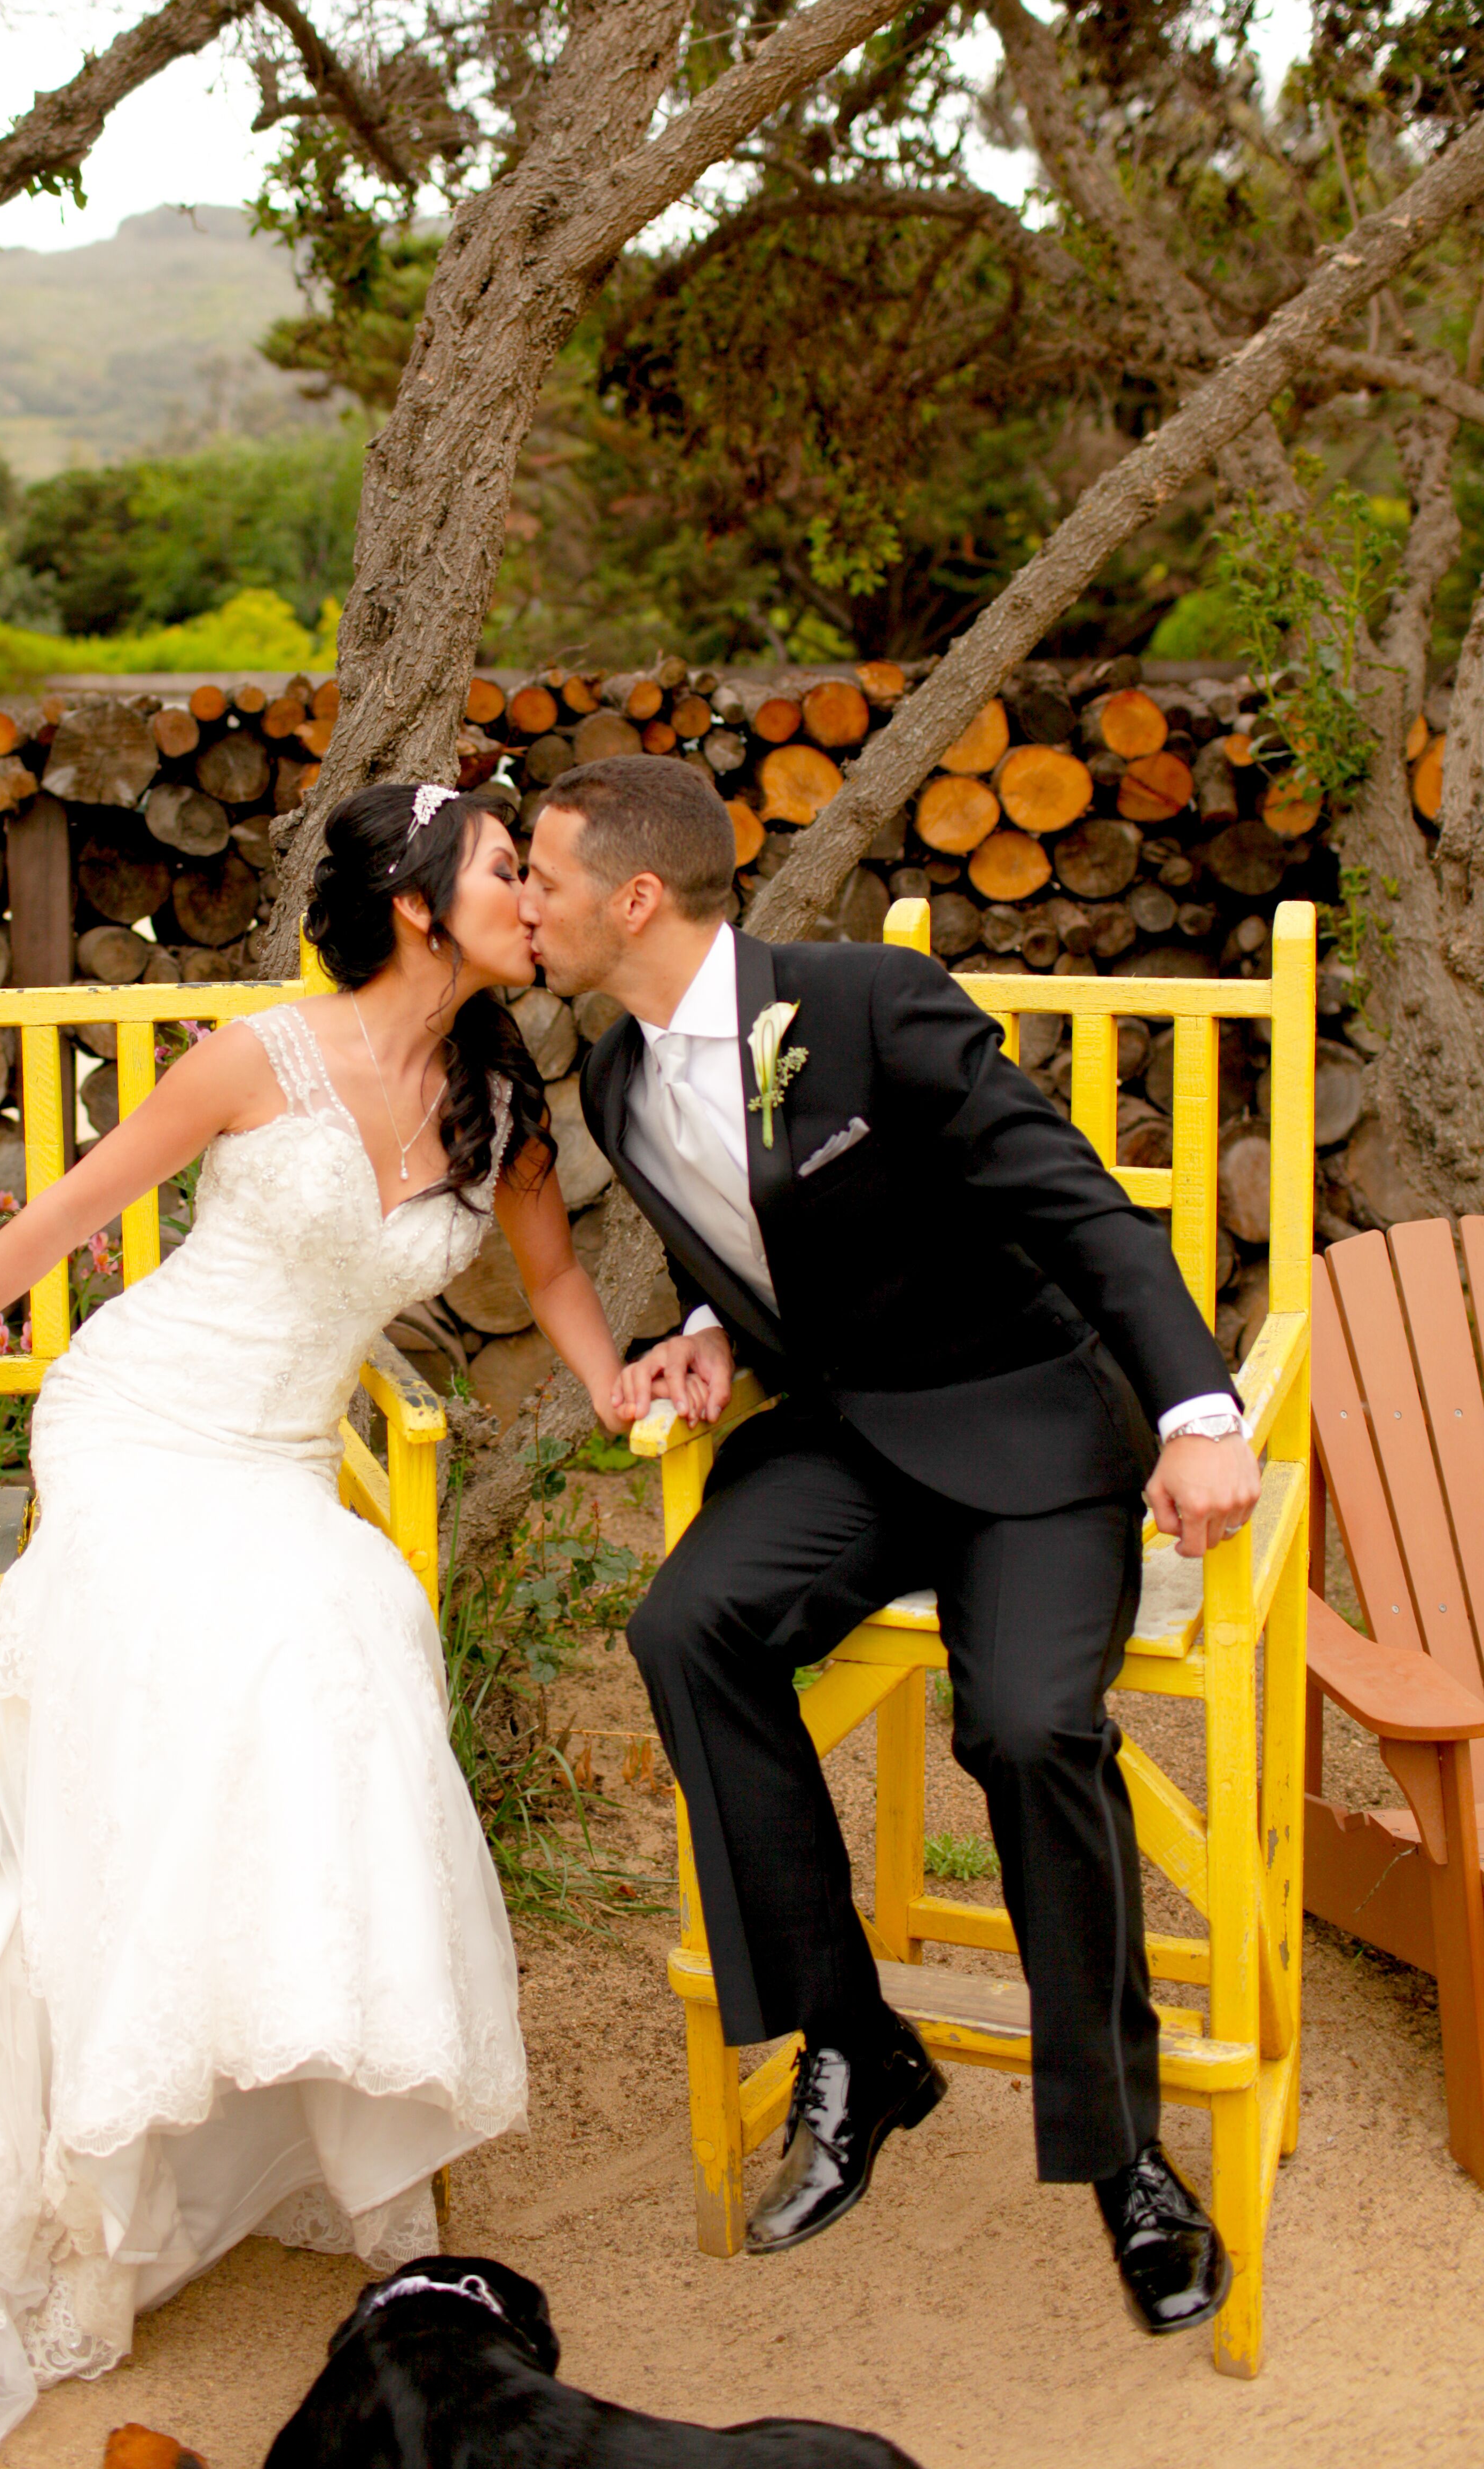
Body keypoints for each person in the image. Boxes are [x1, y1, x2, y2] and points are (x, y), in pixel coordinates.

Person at [0, 782, 629, 2469]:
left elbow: (561, 1285)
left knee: (346, 1636)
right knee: (262, 1656)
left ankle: (358, 2146)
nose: (535, 896)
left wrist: (623, 1389)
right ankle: (101, 2198)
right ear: (421, 904)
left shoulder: (504, 1098)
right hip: (137, 1429)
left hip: (280, 1463)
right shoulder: (257, 1058)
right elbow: (55, 1224)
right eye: (508, 870)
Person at [519, 753, 1259, 2339]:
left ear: (633, 898)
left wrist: (1198, 1406)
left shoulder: (869, 1004)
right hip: (847, 1439)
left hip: (1028, 1428)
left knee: (1028, 1726)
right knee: (684, 1627)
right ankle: (855, 2042)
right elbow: (770, 1236)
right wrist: (713, 1326)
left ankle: (1128, 2160)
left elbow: (1081, 1213)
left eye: (543, 878)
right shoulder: (613, 1080)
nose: (525, 904)